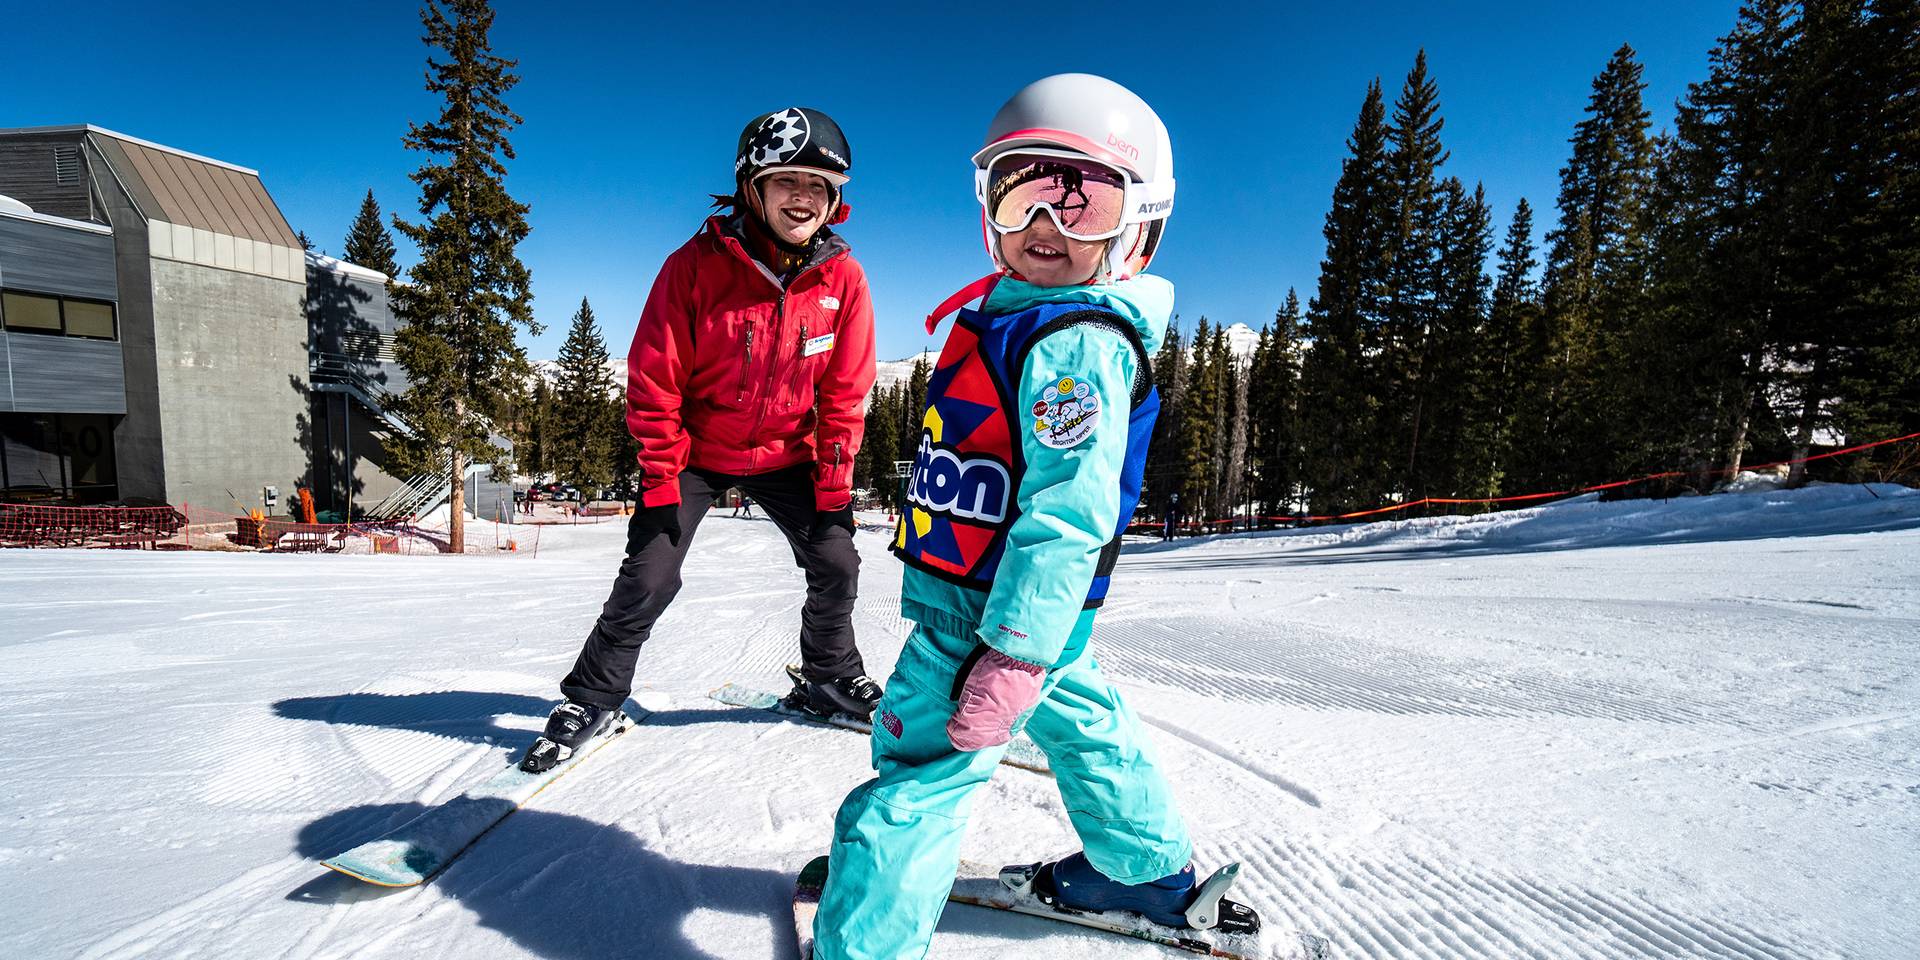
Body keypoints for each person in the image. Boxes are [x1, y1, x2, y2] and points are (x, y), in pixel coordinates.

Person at [813, 74, 1234, 959]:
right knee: (1078, 713)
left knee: (916, 783)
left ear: (1138, 224)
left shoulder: (1071, 345)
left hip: (985, 619)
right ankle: (1146, 868)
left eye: (1083, 201)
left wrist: (1009, 653)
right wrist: (1036, 650)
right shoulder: (1030, 322)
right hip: (1034, 619)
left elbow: (1068, 517)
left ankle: (867, 943)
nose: (1046, 223)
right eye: (1022, 190)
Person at [520, 107, 882, 773]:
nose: (802, 197)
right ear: (752, 187)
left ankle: (828, 676)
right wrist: (661, 481)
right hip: (697, 451)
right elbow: (655, 380)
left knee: (837, 561)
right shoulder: (693, 267)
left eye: (818, 186)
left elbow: (845, 394)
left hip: (789, 455)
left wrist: (832, 488)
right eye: (787, 181)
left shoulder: (844, 281)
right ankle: (595, 698)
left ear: (835, 200)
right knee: (651, 572)